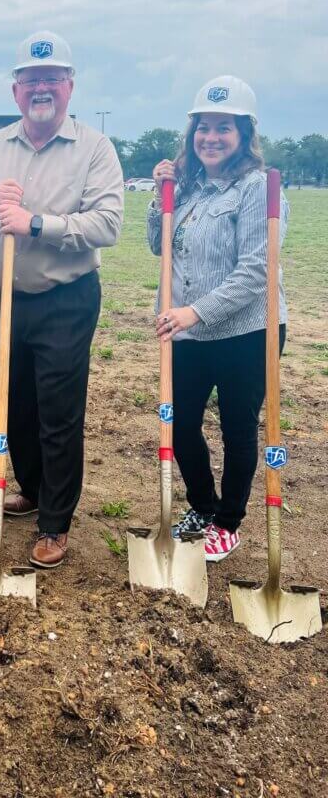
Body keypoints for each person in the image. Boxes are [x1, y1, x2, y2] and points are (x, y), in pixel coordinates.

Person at [0, 31, 123, 569]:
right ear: (15, 91)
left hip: (65, 300)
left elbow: (108, 222)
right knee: (14, 400)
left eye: (51, 79)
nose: (41, 88)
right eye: (31, 81)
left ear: (69, 87)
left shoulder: (94, 148)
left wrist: (37, 223)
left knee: (58, 410)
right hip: (6, 298)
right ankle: (30, 485)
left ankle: (56, 520)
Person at [149, 75, 287, 562]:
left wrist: (194, 312)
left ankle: (228, 522)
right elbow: (158, 246)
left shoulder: (256, 188)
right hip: (187, 330)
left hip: (246, 330)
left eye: (223, 128)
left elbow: (257, 271)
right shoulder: (189, 188)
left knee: (236, 427)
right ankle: (203, 507)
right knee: (180, 424)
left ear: (245, 134)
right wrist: (160, 193)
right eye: (203, 127)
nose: (211, 137)